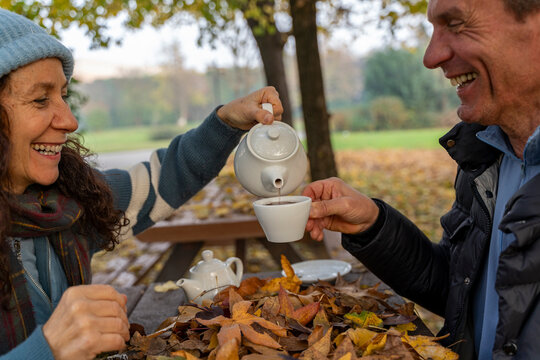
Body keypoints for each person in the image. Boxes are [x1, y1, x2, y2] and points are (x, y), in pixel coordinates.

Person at [0, 8, 282, 360]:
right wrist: (49, 349)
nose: (70, 121)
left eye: (64, 96)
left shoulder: (68, 204)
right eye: (41, 99)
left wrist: (225, 122)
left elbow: (160, 181)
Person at [303, 0, 540, 359]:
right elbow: (458, 288)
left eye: (456, 23)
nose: (431, 57)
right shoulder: (485, 152)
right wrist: (373, 224)